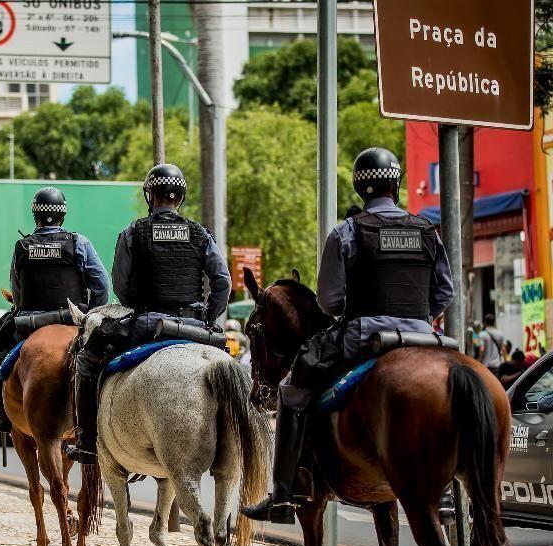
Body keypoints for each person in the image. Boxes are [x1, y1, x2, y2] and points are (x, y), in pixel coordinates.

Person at [242, 147, 455, 524]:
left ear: (360, 187)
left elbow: (329, 302)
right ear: (397, 182)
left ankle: (284, 494)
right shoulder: (426, 230)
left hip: (364, 336)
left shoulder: (348, 232)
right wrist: (418, 320)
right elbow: (444, 293)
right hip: (424, 337)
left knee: (292, 390)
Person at [66, 163, 231, 464]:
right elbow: (222, 281)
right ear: (180, 198)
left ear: (151, 196)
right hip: (196, 326)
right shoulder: (200, 234)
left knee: (88, 362)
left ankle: (88, 440)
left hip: (147, 324)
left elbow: (120, 285)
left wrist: (138, 305)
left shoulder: (133, 232)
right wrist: (208, 317)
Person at [0, 187, 109, 431]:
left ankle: (0, 413)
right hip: (73, 320)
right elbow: (101, 285)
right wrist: (90, 314)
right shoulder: (79, 243)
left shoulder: (22, 246)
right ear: (63, 215)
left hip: (29, 323)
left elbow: (17, 293)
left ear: (35, 215)